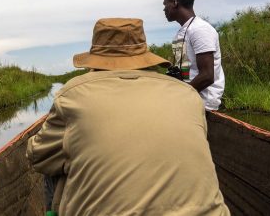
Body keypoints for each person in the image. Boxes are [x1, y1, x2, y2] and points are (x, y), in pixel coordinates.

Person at [26, 18, 230, 215]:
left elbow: (38, 157)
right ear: (144, 57)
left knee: (55, 165)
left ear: (95, 62)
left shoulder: (72, 94)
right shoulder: (187, 94)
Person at [163, 0, 225, 111]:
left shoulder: (200, 30)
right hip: (188, 98)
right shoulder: (182, 32)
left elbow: (207, 76)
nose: (164, 9)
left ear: (175, 2)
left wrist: (180, 96)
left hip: (202, 104)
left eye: (165, 4)